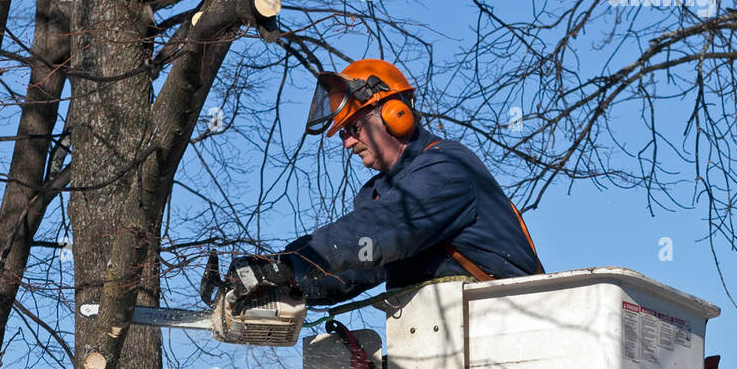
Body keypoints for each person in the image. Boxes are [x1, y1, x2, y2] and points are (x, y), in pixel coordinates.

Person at [225, 60, 544, 307]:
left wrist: (294, 261)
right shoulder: (379, 195)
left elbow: (385, 227)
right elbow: (357, 267)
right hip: (438, 336)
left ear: (395, 114)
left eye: (352, 128)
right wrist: (285, 283)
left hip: (510, 326)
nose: (348, 143)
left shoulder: (448, 168)